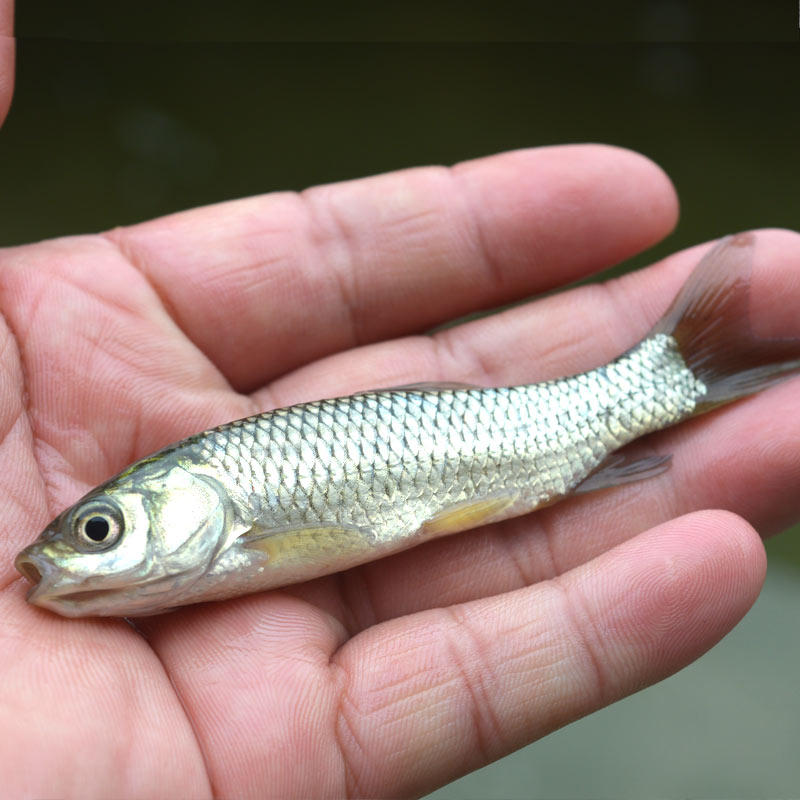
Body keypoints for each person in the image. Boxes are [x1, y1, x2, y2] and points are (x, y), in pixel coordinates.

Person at [2, 13, 800, 800]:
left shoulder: (240, 520)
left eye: (99, 530)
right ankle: (678, 377)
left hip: (518, 446)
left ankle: (673, 373)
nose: (73, 557)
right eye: (96, 532)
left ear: (189, 504)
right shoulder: (206, 542)